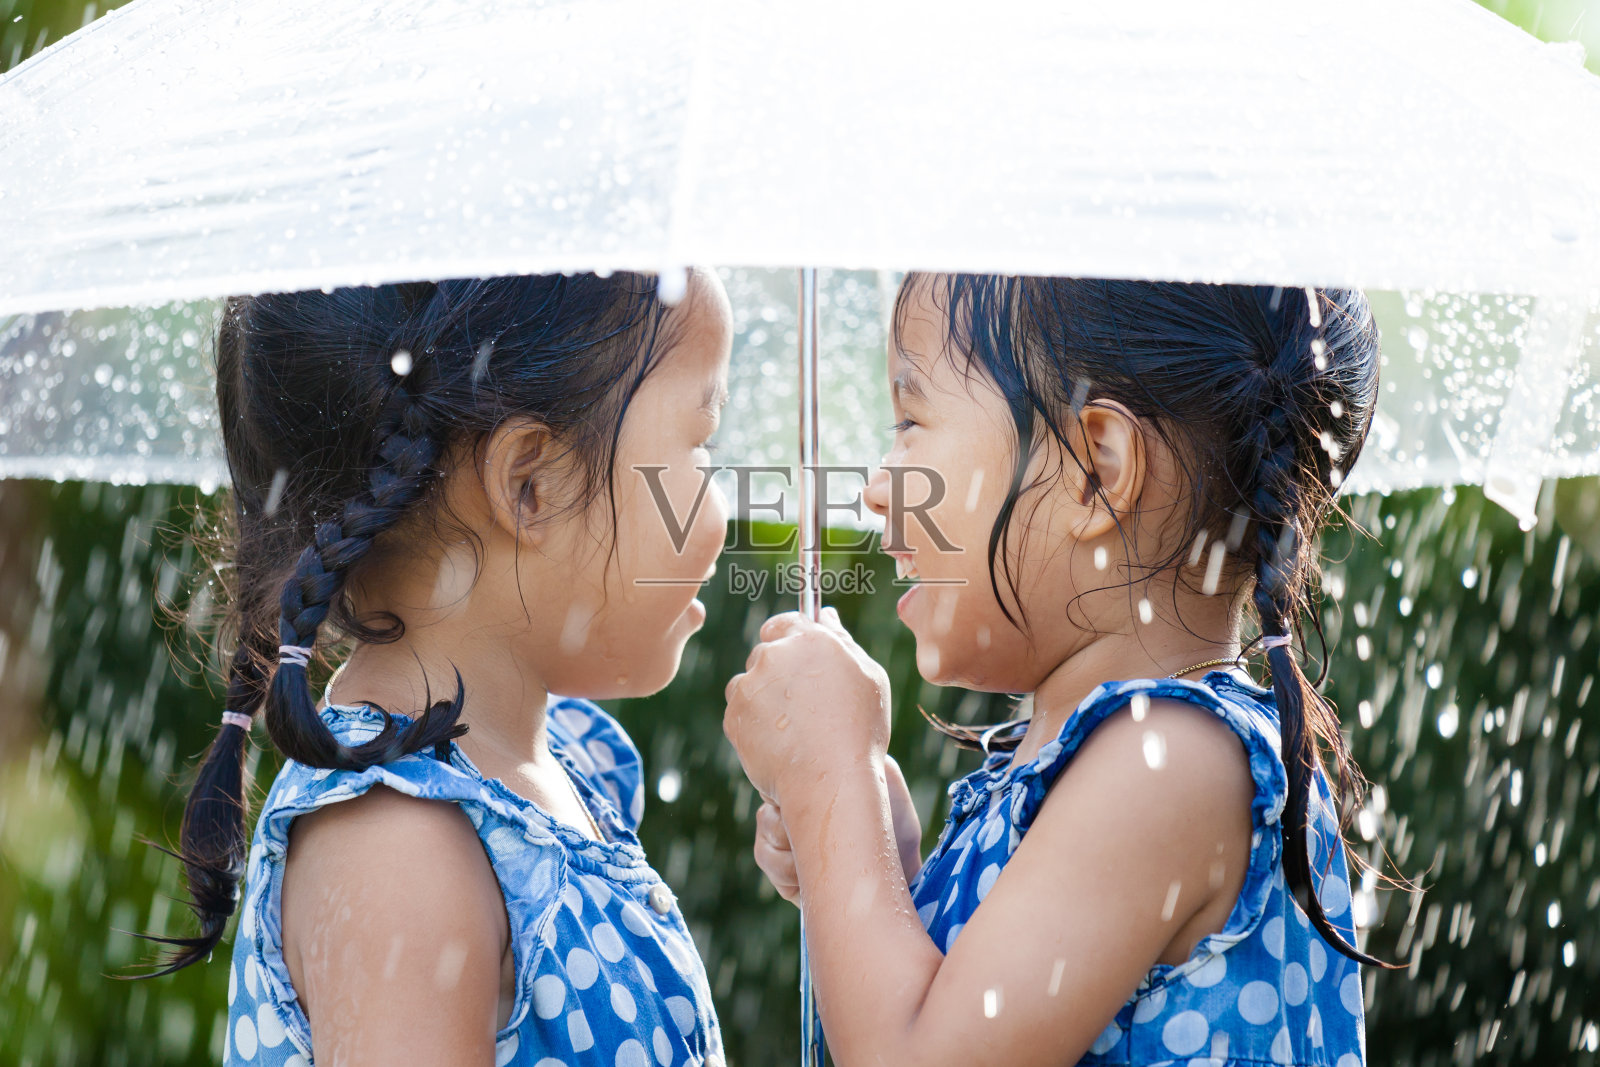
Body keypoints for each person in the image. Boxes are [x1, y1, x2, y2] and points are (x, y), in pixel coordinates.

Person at [724, 275, 1391, 1066]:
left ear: (1094, 470)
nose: (874, 488)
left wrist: (833, 786)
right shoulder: (1126, 761)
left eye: (911, 423)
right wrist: (879, 867)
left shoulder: (1171, 763)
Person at [148, 271, 732, 1066]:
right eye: (701, 446)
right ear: (532, 482)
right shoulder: (398, 846)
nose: (725, 506)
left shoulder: (554, 764)